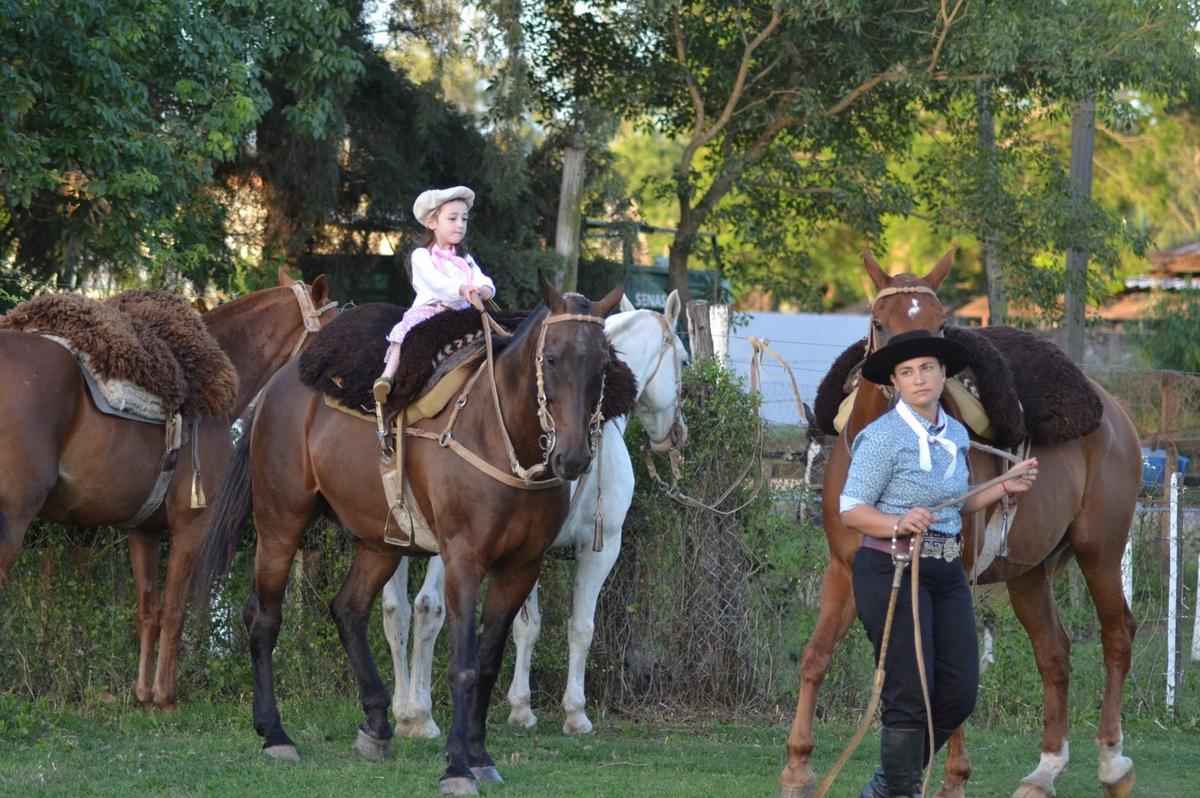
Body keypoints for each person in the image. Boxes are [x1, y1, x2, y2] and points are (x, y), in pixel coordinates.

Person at [840, 329, 1038, 798]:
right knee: (908, 696)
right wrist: (897, 520)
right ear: (896, 383)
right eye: (907, 373)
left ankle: (891, 783)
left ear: (943, 373)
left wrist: (1004, 486)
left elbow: (955, 505)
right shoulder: (884, 437)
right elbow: (851, 510)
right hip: (892, 570)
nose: (919, 379)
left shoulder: (955, 433)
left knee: (958, 691)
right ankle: (902, 791)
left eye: (927, 368)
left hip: (947, 572)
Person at [373, 186, 496, 403]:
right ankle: (387, 377)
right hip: (430, 311)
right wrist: (461, 289)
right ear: (432, 223)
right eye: (453, 218)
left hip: (460, 314)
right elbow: (436, 282)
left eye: (464, 219)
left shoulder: (464, 259)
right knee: (406, 333)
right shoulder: (422, 256)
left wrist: (485, 289)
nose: (460, 224)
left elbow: (481, 278)